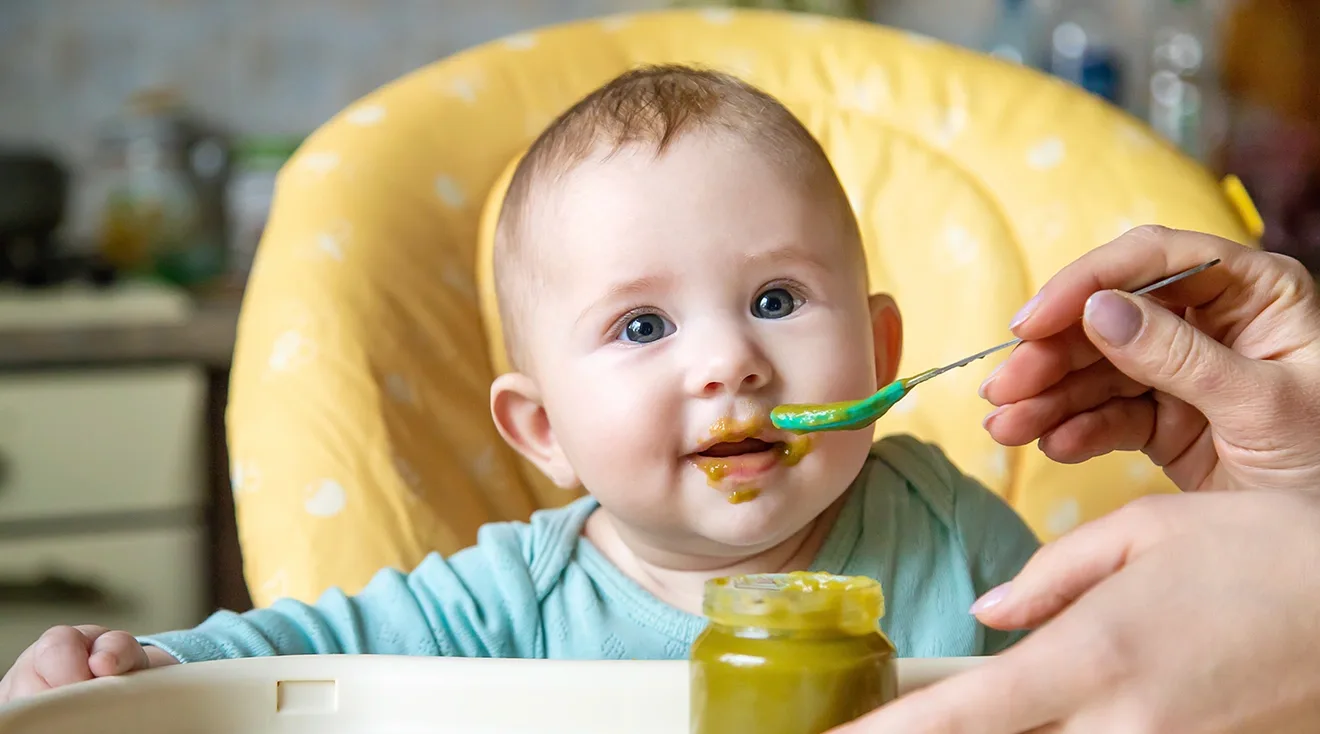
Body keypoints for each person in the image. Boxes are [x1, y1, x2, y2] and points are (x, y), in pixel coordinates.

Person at [0, 65, 1041, 704]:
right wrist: (135, 665)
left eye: (776, 298)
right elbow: (300, 653)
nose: (729, 362)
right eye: (644, 325)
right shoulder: (510, 601)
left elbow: (1128, 674)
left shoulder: (959, 537)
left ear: (882, 352)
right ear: (542, 427)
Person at [835, 228, 1320, 733]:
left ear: (878, 348)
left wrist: (1298, 516)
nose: (742, 365)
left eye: (776, 302)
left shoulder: (949, 517)